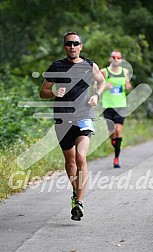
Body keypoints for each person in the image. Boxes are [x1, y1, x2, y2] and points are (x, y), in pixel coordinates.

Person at [40, 31, 105, 221]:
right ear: (64, 47)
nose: (72, 47)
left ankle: (79, 203)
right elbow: (42, 92)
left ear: (81, 46)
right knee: (70, 162)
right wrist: (53, 92)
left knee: (81, 157)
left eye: (76, 43)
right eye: (69, 44)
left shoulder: (90, 65)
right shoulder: (56, 66)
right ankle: (75, 193)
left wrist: (97, 95)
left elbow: (101, 81)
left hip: (84, 116)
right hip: (62, 119)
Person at [96, 50, 131, 168]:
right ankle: (115, 142)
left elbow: (127, 85)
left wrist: (127, 86)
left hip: (120, 105)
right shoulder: (104, 72)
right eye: (114, 57)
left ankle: (116, 158)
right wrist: (105, 86)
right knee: (111, 132)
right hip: (108, 105)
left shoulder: (124, 71)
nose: (116, 59)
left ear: (120, 60)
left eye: (118, 57)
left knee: (118, 130)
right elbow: (96, 86)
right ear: (110, 59)